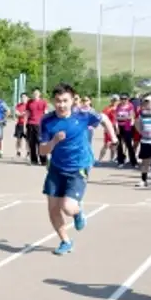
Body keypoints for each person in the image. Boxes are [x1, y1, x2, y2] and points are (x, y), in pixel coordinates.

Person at [39, 83, 117, 255]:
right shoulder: (47, 121)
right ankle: (65, 241)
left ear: (73, 100)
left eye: (65, 101)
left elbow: (103, 118)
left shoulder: (83, 115)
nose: (61, 105)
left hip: (78, 167)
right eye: (58, 101)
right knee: (53, 209)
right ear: (53, 101)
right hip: (56, 167)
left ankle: (78, 212)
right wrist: (53, 142)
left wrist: (113, 136)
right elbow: (42, 150)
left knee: (67, 207)